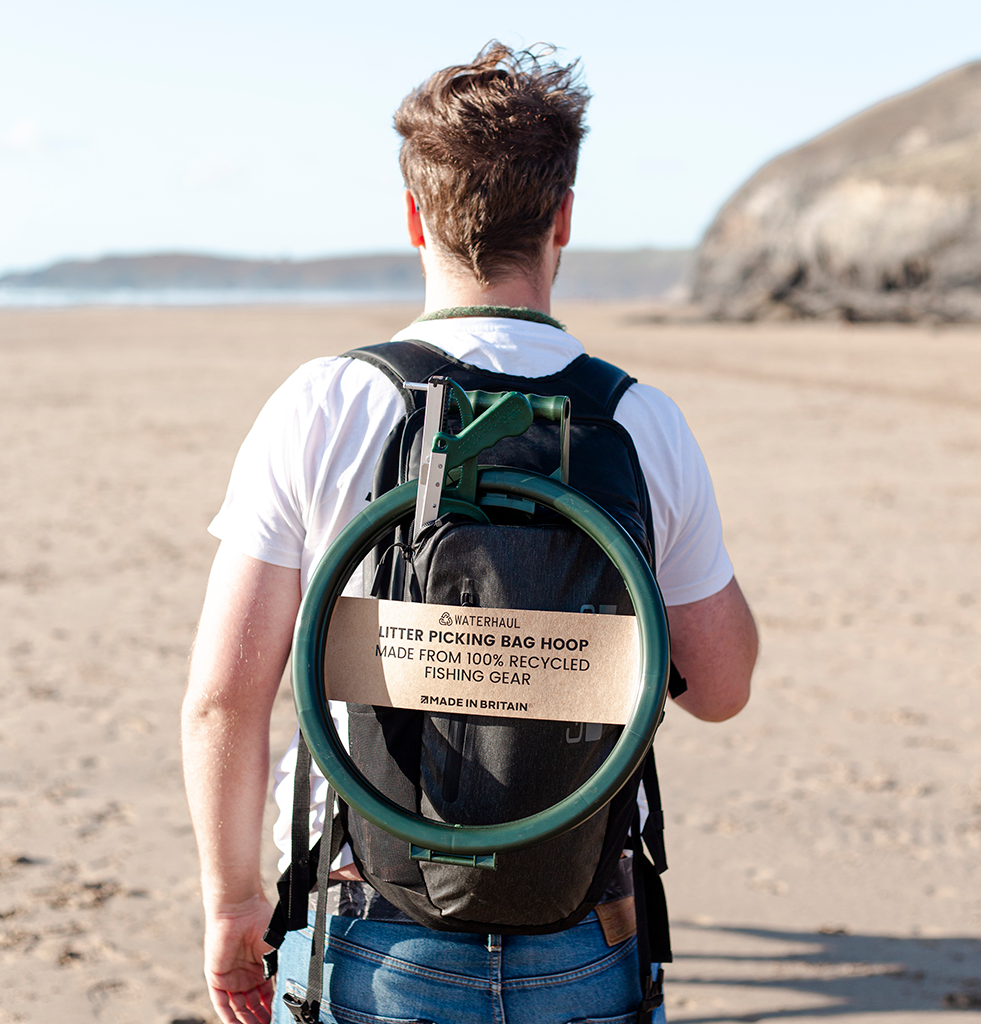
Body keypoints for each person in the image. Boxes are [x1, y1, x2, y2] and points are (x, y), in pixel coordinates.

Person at [182, 42, 758, 1024]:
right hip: (583, 927)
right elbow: (722, 687)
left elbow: (223, 701)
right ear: (562, 218)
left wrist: (234, 899)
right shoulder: (637, 421)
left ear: (413, 216)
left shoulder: (325, 404)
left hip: (366, 923)